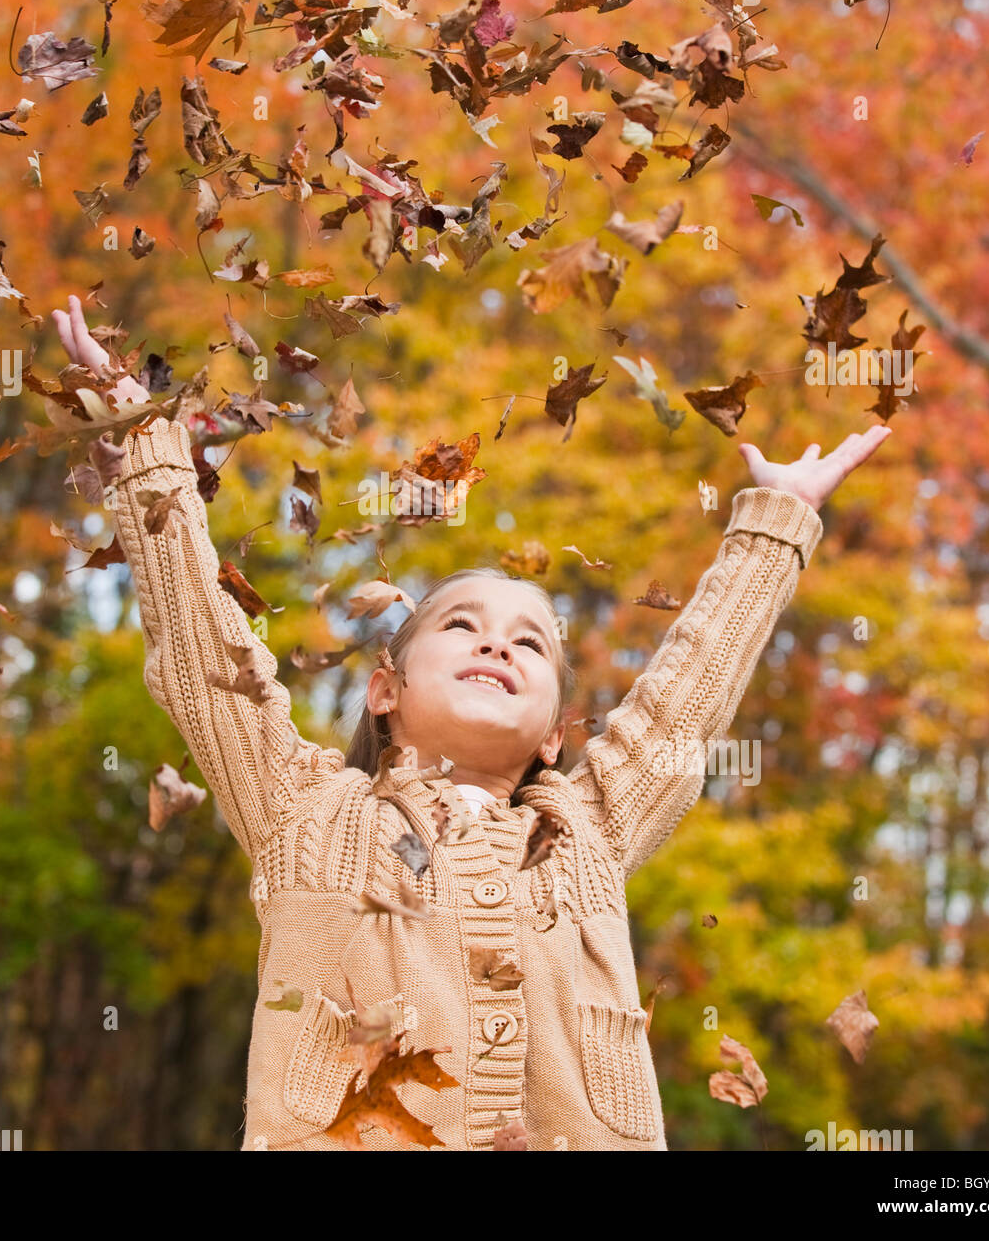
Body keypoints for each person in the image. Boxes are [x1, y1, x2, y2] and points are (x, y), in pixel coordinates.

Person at [51, 294, 892, 1150]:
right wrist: (145, 447)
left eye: (529, 642)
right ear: (385, 691)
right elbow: (203, 653)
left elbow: (688, 697)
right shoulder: (304, 812)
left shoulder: (586, 834)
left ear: (554, 736)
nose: (497, 644)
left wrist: (773, 525)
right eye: (460, 625)